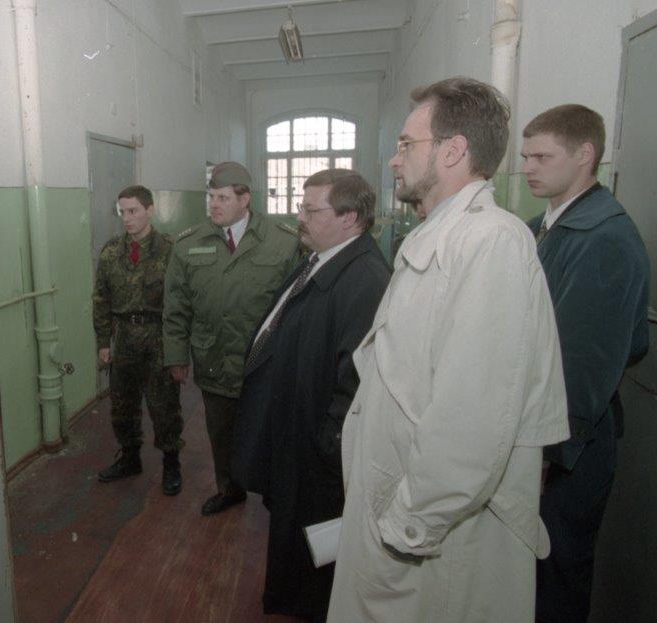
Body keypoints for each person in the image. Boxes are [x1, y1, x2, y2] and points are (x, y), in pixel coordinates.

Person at [327, 77, 570, 622]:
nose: (395, 161)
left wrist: (409, 524)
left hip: (431, 536)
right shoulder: (442, 234)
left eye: (406, 145)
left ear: (453, 150)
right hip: (401, 511)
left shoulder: (492, 242)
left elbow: (473, 419)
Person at [232, 169, 390, 619]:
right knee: (295, 544)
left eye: (310, 209)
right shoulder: (325, 256)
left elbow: (355, 380)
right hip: (296, 436)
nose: (299, 217)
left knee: (315, 560)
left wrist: (325, 449)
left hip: (317, 453)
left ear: (349, 218)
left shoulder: (366, 279)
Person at [521, 104, 651, 623]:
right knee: (529, 575)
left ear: (585, 155)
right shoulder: (544, 226)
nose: (528, 168)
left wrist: (548, 457)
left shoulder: (604, 239)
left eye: (542, 157)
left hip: (569, 447)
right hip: (541, 435)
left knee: (555, 577)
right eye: (525, 157)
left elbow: (584, 367)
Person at [163, 161, 300, 516]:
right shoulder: (188, 244)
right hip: (214, 359)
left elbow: (298, 308)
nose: (214, 204)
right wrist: (176, 356)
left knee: (270, 430)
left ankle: (274, 492)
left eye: (222, 198)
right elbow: (176, 306)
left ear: (245, 199)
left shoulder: (283, 242)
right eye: (211, 197)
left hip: (265, 362)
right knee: (221, 433)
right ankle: (229, 489)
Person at [93, 185, 184, 496]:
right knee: (122, 405)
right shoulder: (111, 252)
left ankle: (171, 462)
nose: (127, 218)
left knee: (164, 405)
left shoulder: (170, 250)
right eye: (123, 212)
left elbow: (181, 302)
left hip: (159, 337)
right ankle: (130, 458)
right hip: (124, 338)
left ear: (150, 210)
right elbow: (101, 299)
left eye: (133, 211)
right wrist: (103, 341)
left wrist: (179, 350)